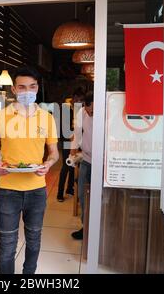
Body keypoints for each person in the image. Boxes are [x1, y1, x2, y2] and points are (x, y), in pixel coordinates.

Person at [0, 66, 59, 274]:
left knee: (34, 240)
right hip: (8, 189)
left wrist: (48, 163)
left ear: (37, 88)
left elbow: (54, 152)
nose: (27, 91)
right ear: (14, 89)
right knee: (7, 245)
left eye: (32, 86)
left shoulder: (47, 118)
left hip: (36, 189)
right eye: (22, 87)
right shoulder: (0, 117)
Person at [70, 91, 93, 240]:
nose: (91, 113)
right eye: (89, 109)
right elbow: (77, 134)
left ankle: (98, 229)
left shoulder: (108, 114)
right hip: (86, 160)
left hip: (102, 163)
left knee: (101, 198)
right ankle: (86, 228)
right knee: (82, 196)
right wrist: (72, 152)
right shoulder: (82, 113)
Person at [57, 87, 85, 202]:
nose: (81, 102)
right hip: (67, 140)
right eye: (79, 100)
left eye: (82, 100)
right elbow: (65, 129)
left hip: (75, 141)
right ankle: (59, 193)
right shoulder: (65, 109)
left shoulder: (79, 110)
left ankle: (69, 188)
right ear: (74, 98)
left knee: (73, 166)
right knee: (65, 166)